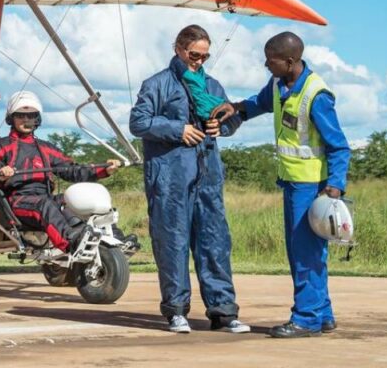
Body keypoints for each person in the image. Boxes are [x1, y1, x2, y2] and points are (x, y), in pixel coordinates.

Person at [214, 31, 350, 338]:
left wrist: (335, 185)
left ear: (289, 61)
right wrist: (237, 108)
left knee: (305, 255)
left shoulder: (317, 95)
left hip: (311, 186)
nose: (266, 64)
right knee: (306, 252)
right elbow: (260, 102)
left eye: (270, 60)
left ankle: (306, 319)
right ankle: (323, 314)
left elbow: (339, 146)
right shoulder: (278, 84)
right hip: (291, 183)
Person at [129, 24, 249, 335]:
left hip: (207, 174)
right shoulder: (158, 84)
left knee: (214, 242)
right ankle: (176, 310)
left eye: (204, 57)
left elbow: (231, 118)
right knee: (173, 243)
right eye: (194, 55)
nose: (199, 61)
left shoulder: (212, 86)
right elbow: (138, 122)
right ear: (179, 50)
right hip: (169, 177)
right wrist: (177, 129)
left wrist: (221, 127)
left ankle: (223, 312)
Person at [0, 90, 122, 253]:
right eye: (20, 116)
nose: (26, 120)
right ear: (11, 118)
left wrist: (104, 169)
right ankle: (72, 243)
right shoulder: (1, 146)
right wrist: (0, 177)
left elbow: (72, 170)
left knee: (76, 200)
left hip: (44, 198)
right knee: (44, 205)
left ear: (37, 119)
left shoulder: (46, 148)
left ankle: (114, 239)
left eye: (31, 116)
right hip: (17, 202)